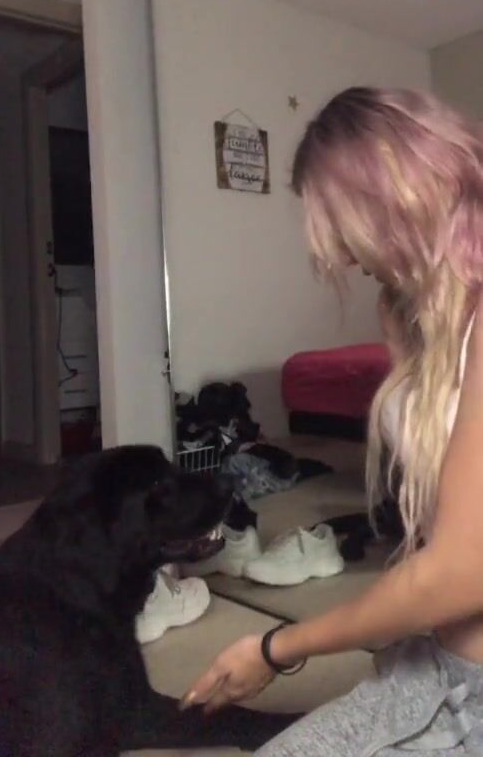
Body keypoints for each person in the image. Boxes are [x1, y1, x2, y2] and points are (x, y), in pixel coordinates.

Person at [180, 87, 483, 755]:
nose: (344, 256)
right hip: (432, 663)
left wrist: (277, 647)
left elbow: (463, 569)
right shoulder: (406, 309)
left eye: (343, 226)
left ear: (398, 195)